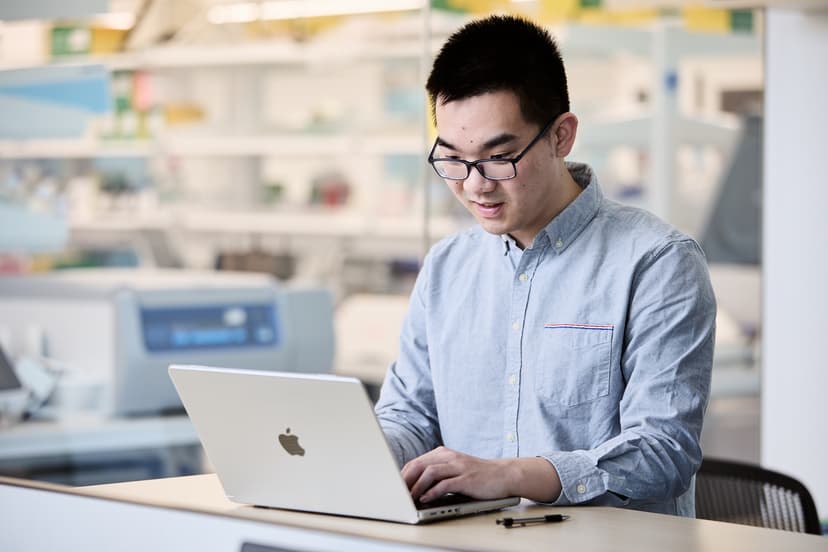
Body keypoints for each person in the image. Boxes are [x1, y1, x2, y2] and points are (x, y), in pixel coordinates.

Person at [373, 14, 716, 517]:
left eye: (499, 157)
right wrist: (357, 456)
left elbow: (662, 453)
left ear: (562, 136)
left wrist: (509, 475)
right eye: (453, 160)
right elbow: (411, 415)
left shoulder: (658, 263)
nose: (474, 185)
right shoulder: (448, 266)